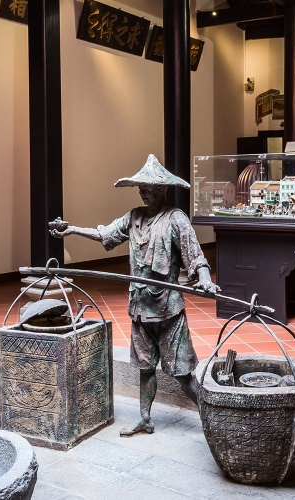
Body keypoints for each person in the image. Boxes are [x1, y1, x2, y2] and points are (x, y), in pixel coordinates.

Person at [49, 154, 219, 436]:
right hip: (140, 307)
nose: (143, 192)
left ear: (163, 189)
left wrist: (204, 280)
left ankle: (212, 415)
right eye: (140, 187)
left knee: (182, 373)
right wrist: (72, 230)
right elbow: (105, 234)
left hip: (168, 309)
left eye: (149, 187)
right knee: (145, 367)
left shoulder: (175, 219)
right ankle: (144, 418)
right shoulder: (134, 217)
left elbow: (196, 256)